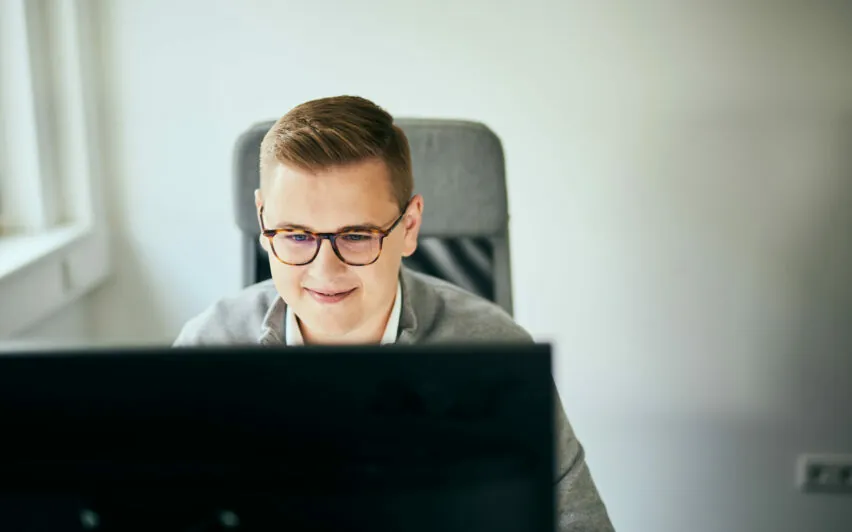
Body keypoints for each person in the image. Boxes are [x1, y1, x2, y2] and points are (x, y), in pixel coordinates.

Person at [174, 95, 614, 531]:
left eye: (358, 235)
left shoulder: (497, 353)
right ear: (263, 220)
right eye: (295, 235)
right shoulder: (204, 351)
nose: (324, 270)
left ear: (409, 227)